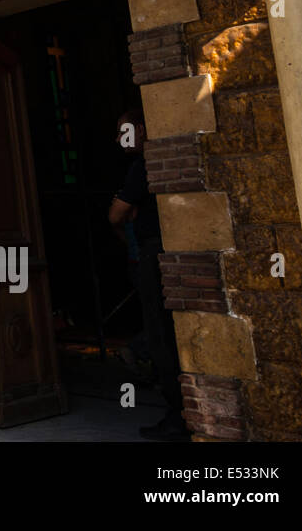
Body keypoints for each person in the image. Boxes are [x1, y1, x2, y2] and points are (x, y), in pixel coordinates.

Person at [107, 108, 189, 442]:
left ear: (141, 128)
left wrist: (130, 233)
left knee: (163, 337)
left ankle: (180, 415)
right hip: (163, 255)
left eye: (124, 131)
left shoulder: (144, 165)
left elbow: (115, 214)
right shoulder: (145, 165)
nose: (119, 139)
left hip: (155, 258)